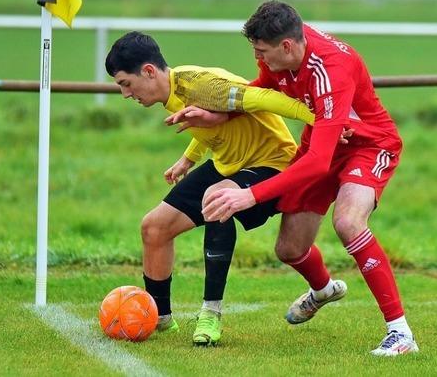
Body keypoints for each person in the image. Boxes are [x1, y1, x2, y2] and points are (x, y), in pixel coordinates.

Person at [201, 0, 419, 356]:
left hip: (368, 145)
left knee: (348, 222)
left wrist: (249, 195)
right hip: (323, 144)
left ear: (287, 46)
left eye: (263, 51)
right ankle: (323, 290)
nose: (259, 58)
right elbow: (260, 92)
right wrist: (215, 116)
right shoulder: (275, 56)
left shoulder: (331, 68)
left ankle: (401, 334)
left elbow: (317, 163)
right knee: (289, 249)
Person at [105, 31, 319, 346]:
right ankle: (158, 318)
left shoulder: (203, 85)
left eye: (126, 83)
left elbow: (263, 98)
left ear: (149, 72)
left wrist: (321, 120)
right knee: (154, 228)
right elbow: (214, 127)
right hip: (229, 164)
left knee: (216, 199)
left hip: (273, 163)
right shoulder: (175, 92)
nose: (125, 94)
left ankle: (211, 314)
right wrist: (187, 160)